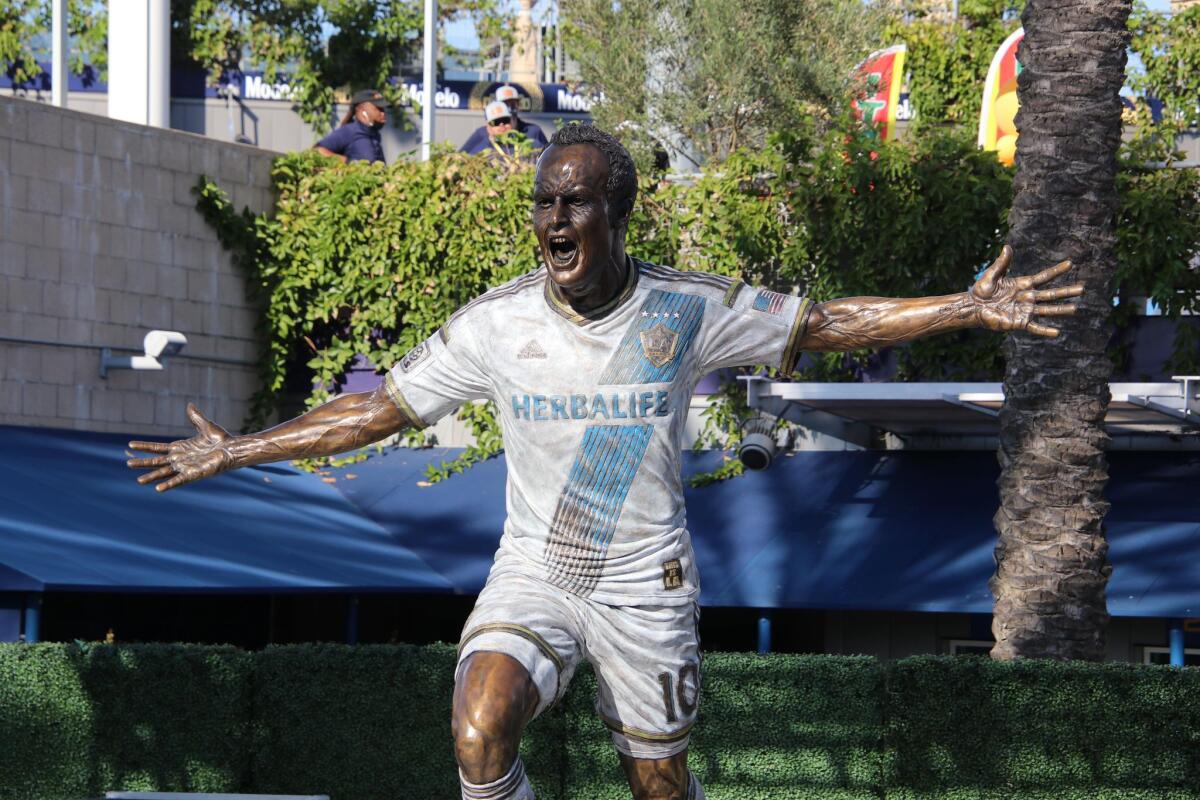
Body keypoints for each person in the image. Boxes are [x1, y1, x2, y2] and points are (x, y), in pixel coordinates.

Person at [128, 124, 1082, 800]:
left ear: (615, 213)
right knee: (476, 728)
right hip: (535, 569)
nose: (552, 220)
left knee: (657, 783)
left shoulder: (686, 310)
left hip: (644, 580)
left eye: (572, 202)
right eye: (542, 202)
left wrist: (965, 308)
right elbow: (376, 409)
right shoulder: (497, 324)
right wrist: (238, 448)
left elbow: (826, 324)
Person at [461, 85, 549, 155]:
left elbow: (548, 157)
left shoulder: (534, 131)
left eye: (513, 103)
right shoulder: (482, 134)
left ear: (519, 104)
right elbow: (462, 156)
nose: (501, 125)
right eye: (505, 104)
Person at [314, 88, 389, 164]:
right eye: (379, 109)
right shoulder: (349, 131)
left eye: (383, 109)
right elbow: (317, 151)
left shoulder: (374, 135)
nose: (383, 113)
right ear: (362, 109)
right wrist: (348, 162)